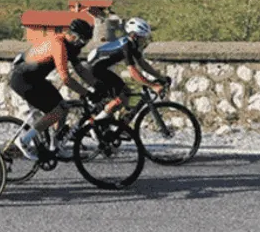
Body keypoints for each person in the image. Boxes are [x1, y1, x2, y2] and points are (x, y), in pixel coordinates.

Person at [9, 17, 96, 157]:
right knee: (57, 112)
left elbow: (81, 70)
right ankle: (23, 140)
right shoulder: (59, 45)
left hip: (36, 79)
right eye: (83, 41)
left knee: (63, 107)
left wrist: (96, 86)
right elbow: (66, 79)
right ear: (74, 36)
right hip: (23, 80)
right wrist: (87, 93)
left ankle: (56, 148)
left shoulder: (71, 46)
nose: (84, 45)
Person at [86, 17, 169, 117]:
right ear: (134, 36)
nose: (144, 41)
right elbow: (133, 72)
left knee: (124, 95)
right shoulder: (126, 46)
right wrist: (152, 85)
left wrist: (161, 78)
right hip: (95, 70)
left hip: (99, 69)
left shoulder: (131, 44)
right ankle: (95, 123)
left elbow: (143, 64)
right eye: (143, 38)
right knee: (122, 96)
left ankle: (116, 127)